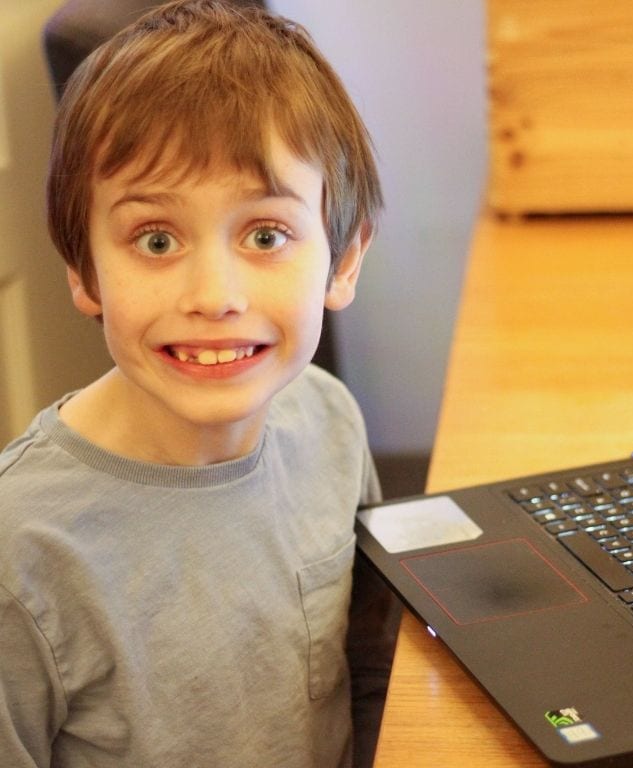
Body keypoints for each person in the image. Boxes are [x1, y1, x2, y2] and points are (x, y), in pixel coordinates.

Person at [0, 1, 400, 766]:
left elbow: (371, 662)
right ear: (84, 271)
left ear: (343, 261)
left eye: (265, 235)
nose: (214, 295)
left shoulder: (331, 424)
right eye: (156, 239)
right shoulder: (21, 550)